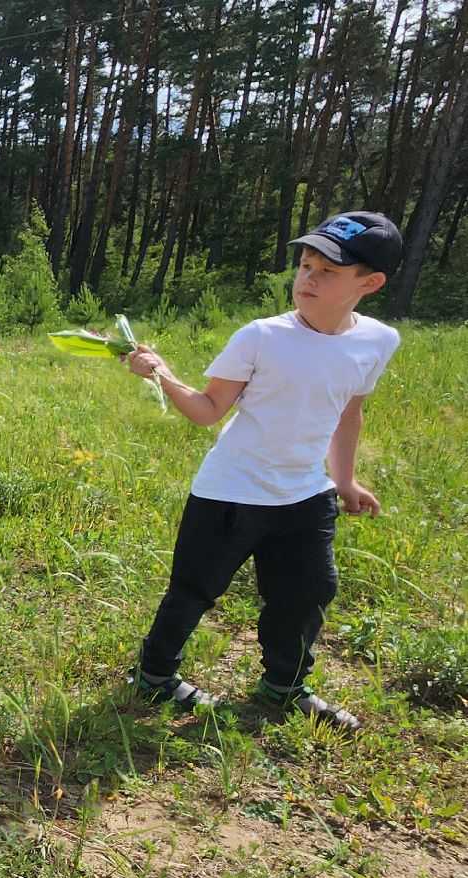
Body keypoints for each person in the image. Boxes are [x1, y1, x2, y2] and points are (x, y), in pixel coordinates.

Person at [124, 211, 404, 731]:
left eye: (328, 271)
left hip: (305, 495)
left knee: (307, 593)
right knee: (194, 589)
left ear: (370, 283)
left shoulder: (378, 341)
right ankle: (154, 675)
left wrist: (343, 480)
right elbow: (209, 410)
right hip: (230, 491)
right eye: (305, 265)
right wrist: (160, 372)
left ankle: (283, 688)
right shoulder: (261, 337)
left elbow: (349, 410)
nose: (308, 279)